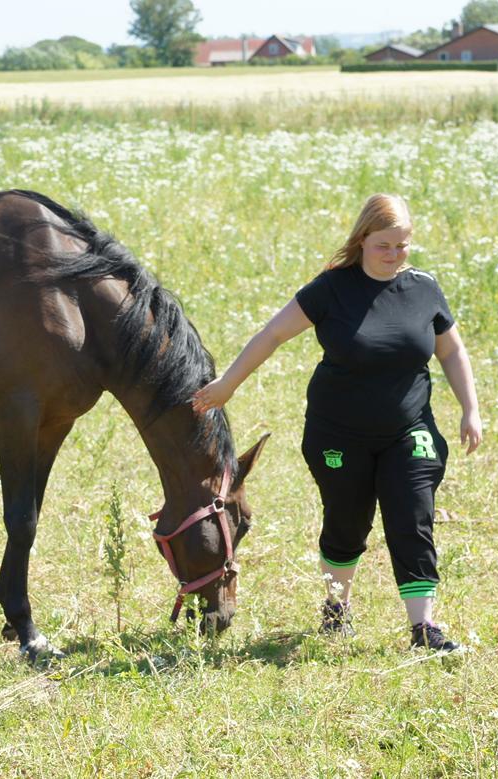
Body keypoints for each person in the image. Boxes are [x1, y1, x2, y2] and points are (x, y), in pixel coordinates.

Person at [192, 194, 482, 652]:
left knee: (413, 518)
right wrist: (228, 383)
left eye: (402, 246)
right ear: (363, 239)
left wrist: (470, 408)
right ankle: (336, 607)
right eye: (384, 245)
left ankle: (424, 629)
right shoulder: (332, 289)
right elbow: (273, 334)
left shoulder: (424, 288)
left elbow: (451, 350)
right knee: (347, 523)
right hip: (339, 432)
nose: (394, 255)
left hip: (409, 428)